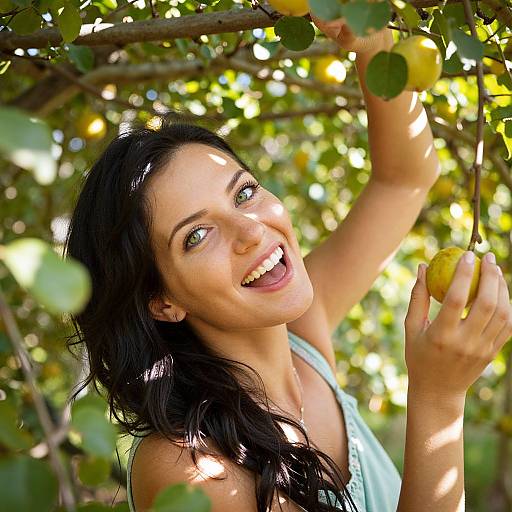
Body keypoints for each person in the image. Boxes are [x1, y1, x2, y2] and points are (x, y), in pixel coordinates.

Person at [64, 17, 512, 512]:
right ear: (161, 301)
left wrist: (372, 41)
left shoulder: (303, 338)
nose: (252, 230)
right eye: (196, 234)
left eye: (244, 192)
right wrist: (438, 400)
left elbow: (405, 178)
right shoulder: (190, 469)